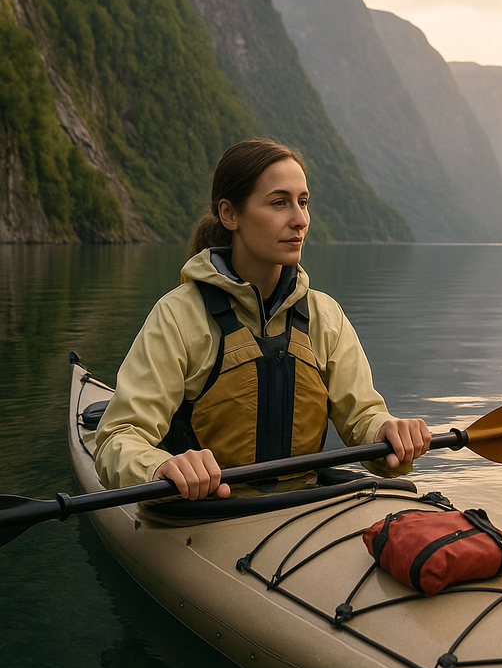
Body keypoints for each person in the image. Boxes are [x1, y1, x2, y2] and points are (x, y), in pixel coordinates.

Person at [95, 137, 430, 500]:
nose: (300, 220)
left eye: (303, 203)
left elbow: (362, 418)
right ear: (230, 214)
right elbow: (119, 437)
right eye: (279, 203)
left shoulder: (324, 316)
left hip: (305, 504)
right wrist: (159, 467)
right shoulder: (179, 316)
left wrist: (388, 432)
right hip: (201, 512)